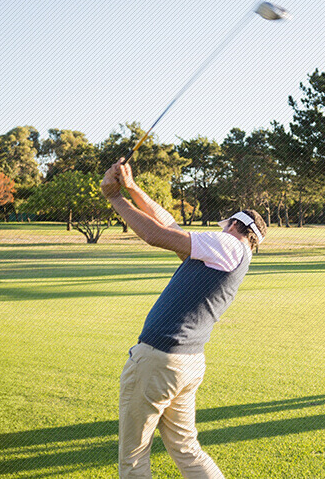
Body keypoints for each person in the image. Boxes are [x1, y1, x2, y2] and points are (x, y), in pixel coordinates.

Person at [102, 158, 266, 479]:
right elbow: (170, 226)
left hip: (160, 360)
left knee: (133, 457)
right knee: (186, 448)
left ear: (234, 225)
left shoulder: (226, 244)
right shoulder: (231, 253)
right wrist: (133, 188)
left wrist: (114, 197)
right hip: (187, 362)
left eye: (226, 224)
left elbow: (155, 235)